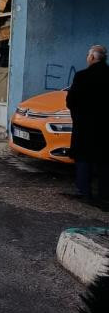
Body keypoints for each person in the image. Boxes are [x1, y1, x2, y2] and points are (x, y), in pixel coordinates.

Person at [66, 44, 109, 206]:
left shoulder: (82, 76)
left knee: (84, 159)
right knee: (105, 161)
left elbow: (71, 101)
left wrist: (78, 117)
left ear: (91, 57)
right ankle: (104, 194)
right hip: (106, 128)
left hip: (85, 126)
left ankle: (85, 192)